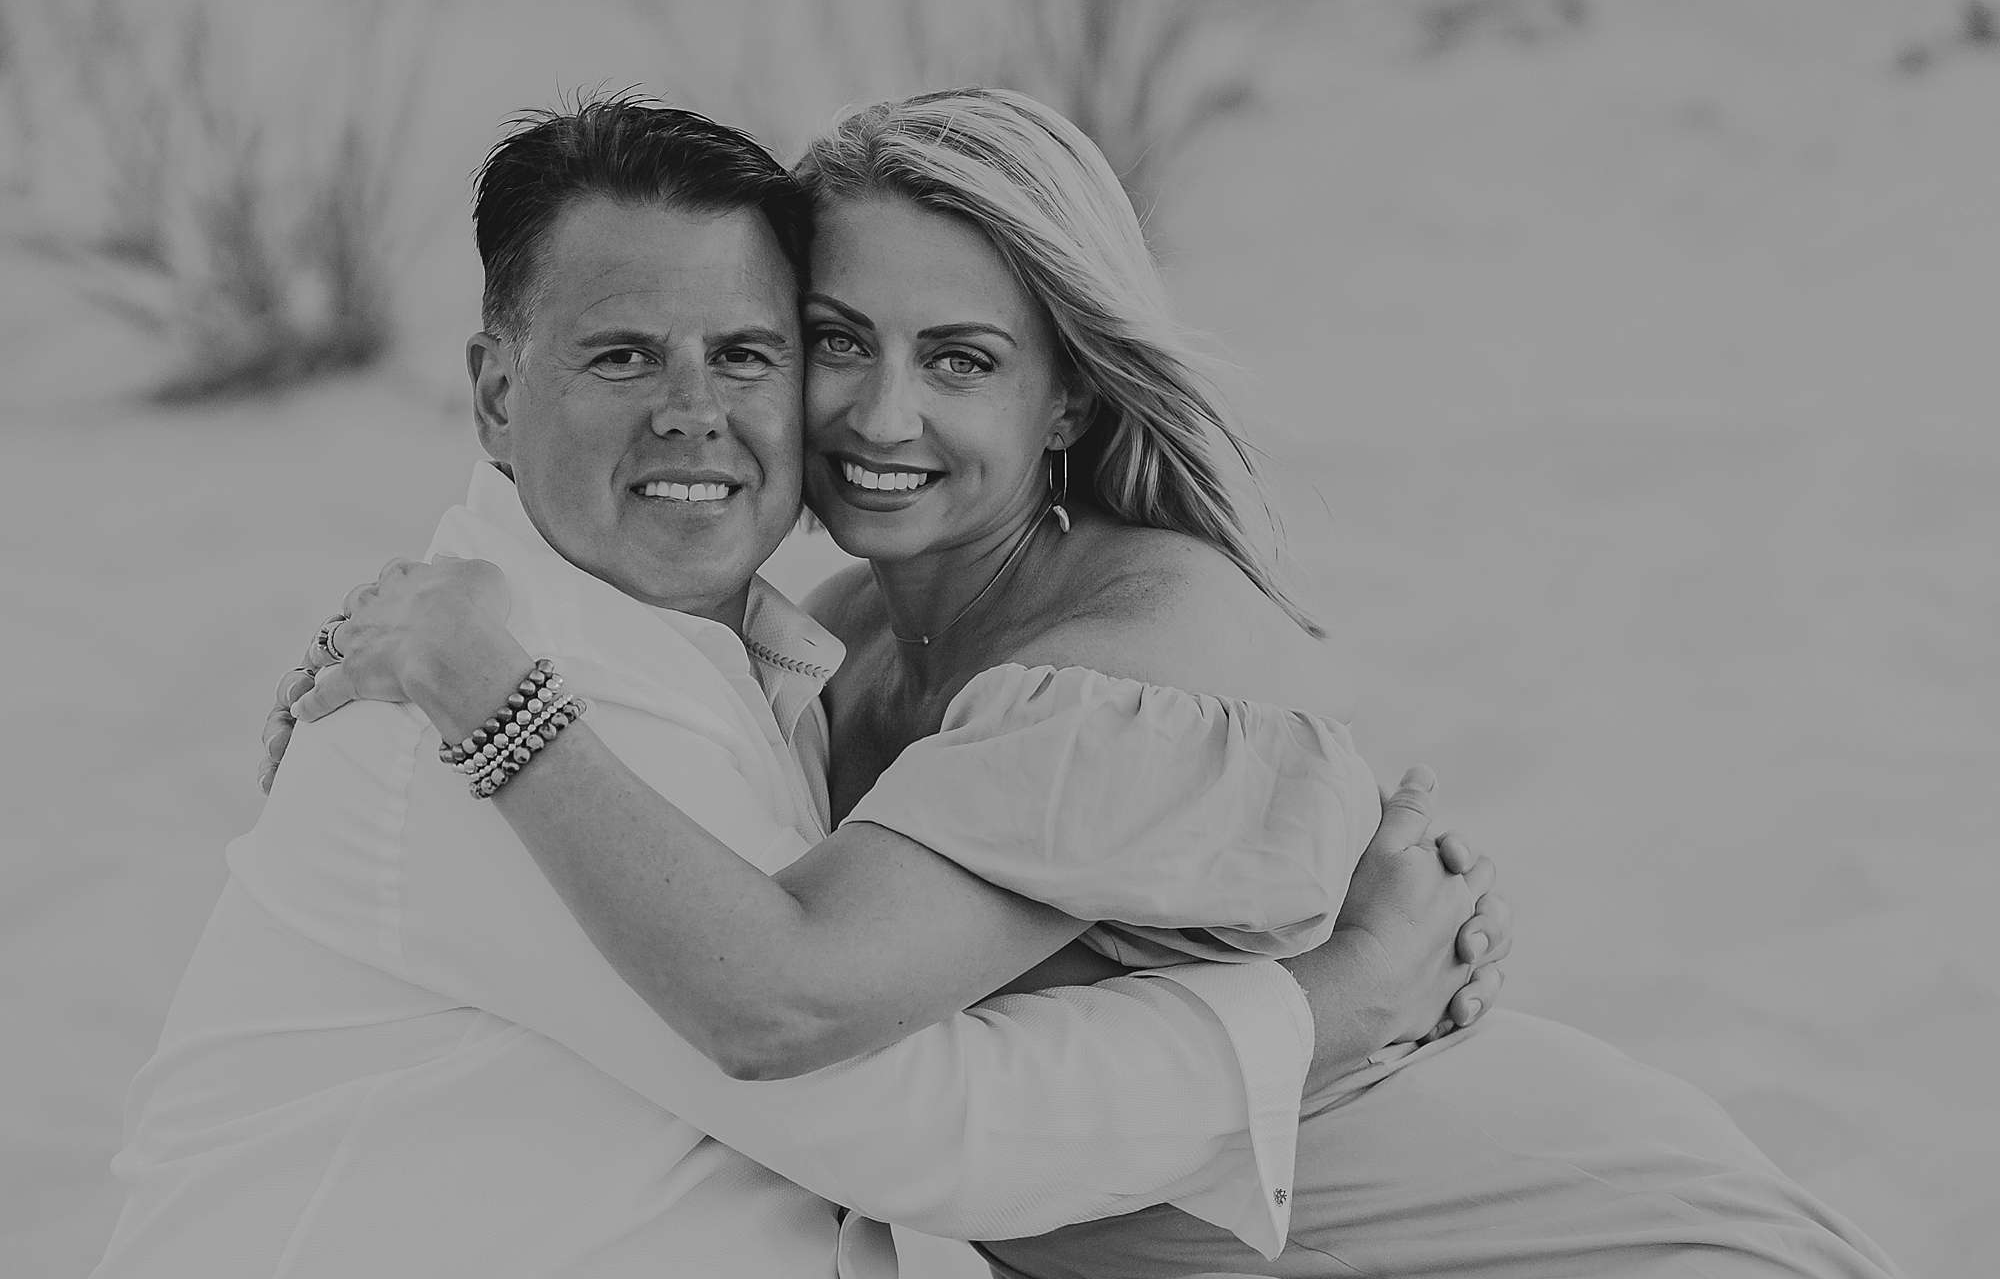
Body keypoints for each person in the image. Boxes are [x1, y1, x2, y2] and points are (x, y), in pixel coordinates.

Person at [289, 89, 1906, 1278]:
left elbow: (783, 997)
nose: (881, 414)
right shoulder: (833, 628)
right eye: (839, 339)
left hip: (1565, 1246)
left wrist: (478, 678)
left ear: (1069, 401)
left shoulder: (1134, 654)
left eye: (965, 360)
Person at [96, 99, 1501, 1279]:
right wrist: (1331, 1001)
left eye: (751, 353)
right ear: (493, 393)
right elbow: (922, 1122)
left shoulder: (735, 657)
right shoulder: (512, 698)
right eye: (623, 354)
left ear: (1066, 396)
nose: (694, 411)